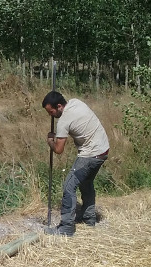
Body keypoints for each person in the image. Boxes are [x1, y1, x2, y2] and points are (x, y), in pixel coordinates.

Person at [42, 91, 110, 236]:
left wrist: (50, 141)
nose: (51, 115)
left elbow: (59, 150)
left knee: (68, 186)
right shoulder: (76, 102)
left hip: (91, 154)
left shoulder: (63, 121)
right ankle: (89, 219)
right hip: (103, 149)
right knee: (86, 183)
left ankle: (66, 228)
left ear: (59, 106)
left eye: (51, 112)